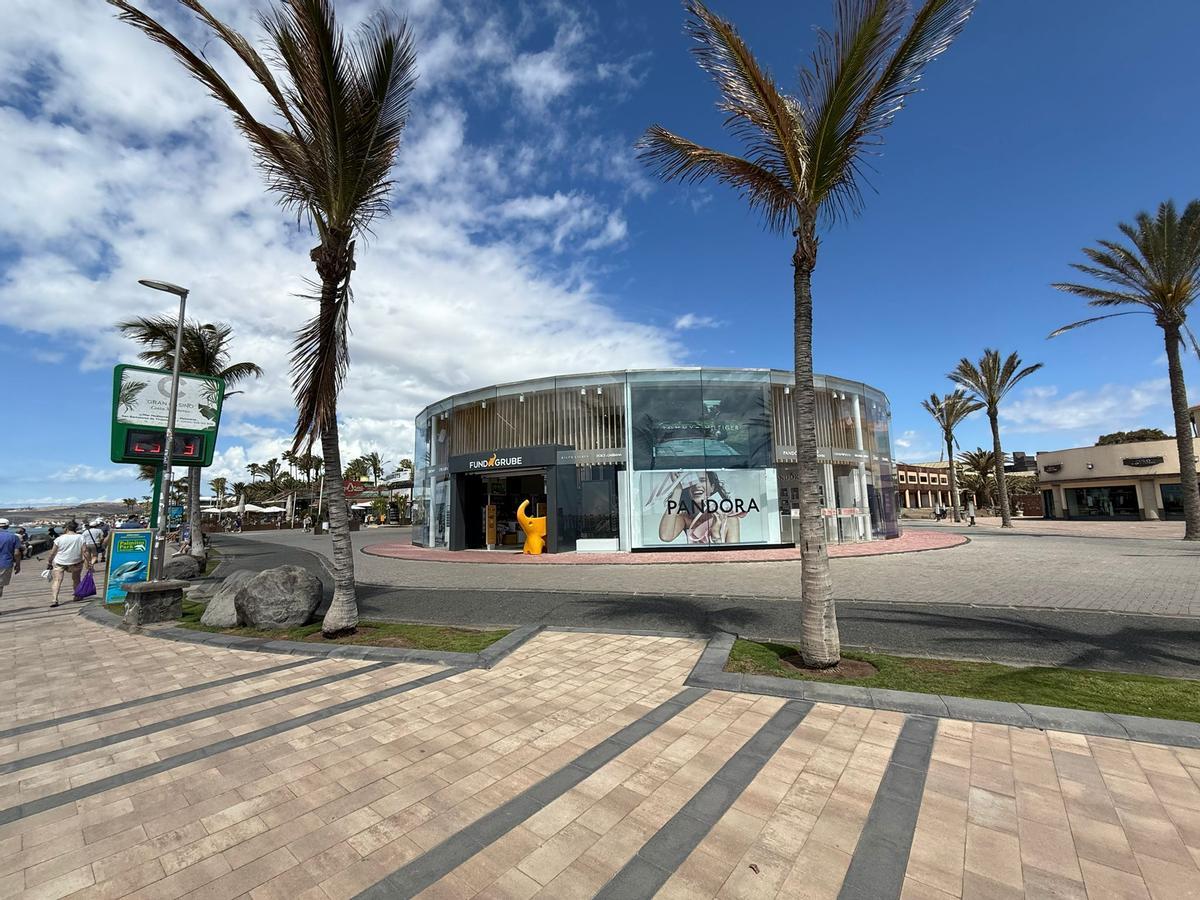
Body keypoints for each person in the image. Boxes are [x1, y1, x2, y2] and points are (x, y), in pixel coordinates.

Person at [657, 471, 744, 544]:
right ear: (686, 488)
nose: (697, 486)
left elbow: (733, 556)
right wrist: (677, 489)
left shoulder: (729, 518)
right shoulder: (685, 517)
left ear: (712, 487)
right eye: (692, 482)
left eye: (702, 480)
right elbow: (665, 536)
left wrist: (716, 535)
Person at [45, 520, 91, 607]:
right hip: (76, 562)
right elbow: (85, 551)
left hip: (60, 562)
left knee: (57, 581)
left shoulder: (59, 539)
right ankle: (77, 596)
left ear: (66, 528)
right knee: (76, 579)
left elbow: (52, 553)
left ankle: (55, 599)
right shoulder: (80, 537)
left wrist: (49, 562)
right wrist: (89, 562)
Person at [0, 519, 22, 599]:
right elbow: (16, 553)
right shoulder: (13, 537)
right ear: (7, 526)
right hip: (5, 564)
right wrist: (18, 565)